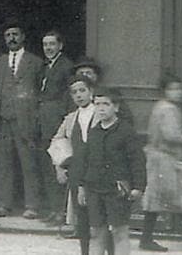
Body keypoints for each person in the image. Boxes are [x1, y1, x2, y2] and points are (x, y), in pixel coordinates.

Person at [72, 88, 146, 255]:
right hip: (94, 189)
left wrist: (138, 187)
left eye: (106, 104)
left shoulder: (126, 131)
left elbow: (137, 160)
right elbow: (87, 162)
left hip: (117, 190)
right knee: (97, 232)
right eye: (97, 104)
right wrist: (82, 187)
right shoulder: (94, 132)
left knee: (119, 231)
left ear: (116, 107)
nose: (101, 108)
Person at [139, 73, 182, 252]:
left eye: (179, 88)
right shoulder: (168, 109)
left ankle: (148, 238)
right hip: (165, 158)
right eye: (172, 89)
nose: (177, 92)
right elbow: (170, 135)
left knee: (162, 198)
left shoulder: (161, 107)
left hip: (160, 157)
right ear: (164, 91)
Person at [0, 22, 42, 219]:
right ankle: (3, 205)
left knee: (28, 163)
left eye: (15, 34)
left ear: (23, 36)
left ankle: (32, 205)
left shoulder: (34, 61)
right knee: (4, 164)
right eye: (8, 35)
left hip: (24, 119)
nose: (11, 38)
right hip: (3, 119)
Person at [49, 75, 102, 255]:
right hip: (77, 172)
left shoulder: (101, 113)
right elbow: (57, 139)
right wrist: (61, 165)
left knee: (101, 220)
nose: (79, 95)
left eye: (82, 90)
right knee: (82, 219)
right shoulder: (71, 118)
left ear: (91, 92)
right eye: (74, 92)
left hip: (97, 171)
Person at [36, 30, 75, 224]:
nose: (48, 48)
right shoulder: (44, 66)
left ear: (60, 46)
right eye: (45, 45)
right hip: (44, 123)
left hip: (57, 123)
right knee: (47, 166)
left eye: (52, 44)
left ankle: (61, 211)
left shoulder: (66, 67)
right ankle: (53, 209)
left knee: (58, 166)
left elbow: (69, 97)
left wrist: (65, 123)